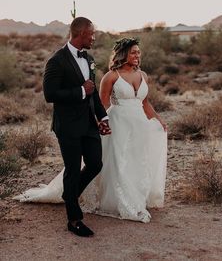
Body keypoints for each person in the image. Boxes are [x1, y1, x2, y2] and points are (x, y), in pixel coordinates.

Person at [14, 37, 167, 224]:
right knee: (118, 162)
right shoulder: (111, 77)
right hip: (117, 124)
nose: (137, 55)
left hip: (139, 125)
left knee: (137, 160)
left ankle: (137, 196)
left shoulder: (143, 75)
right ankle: (119, 201)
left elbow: (145, 103)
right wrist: (97, 123)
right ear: (123, 54)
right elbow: (99, 103)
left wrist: (158, 120)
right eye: (133, 52)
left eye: (138, 52)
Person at [32, 16, 111, 238]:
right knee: (73, 168)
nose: (94, 38)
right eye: (91, 34)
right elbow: (50, 95)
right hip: (67, 126)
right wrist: (80, 91)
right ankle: (74, 220)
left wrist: (102, 118)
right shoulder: (56, 61)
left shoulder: (90, 58)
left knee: (95, 163)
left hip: (88, 123)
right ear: (79, 33)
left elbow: (93, 92)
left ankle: (70, 195)